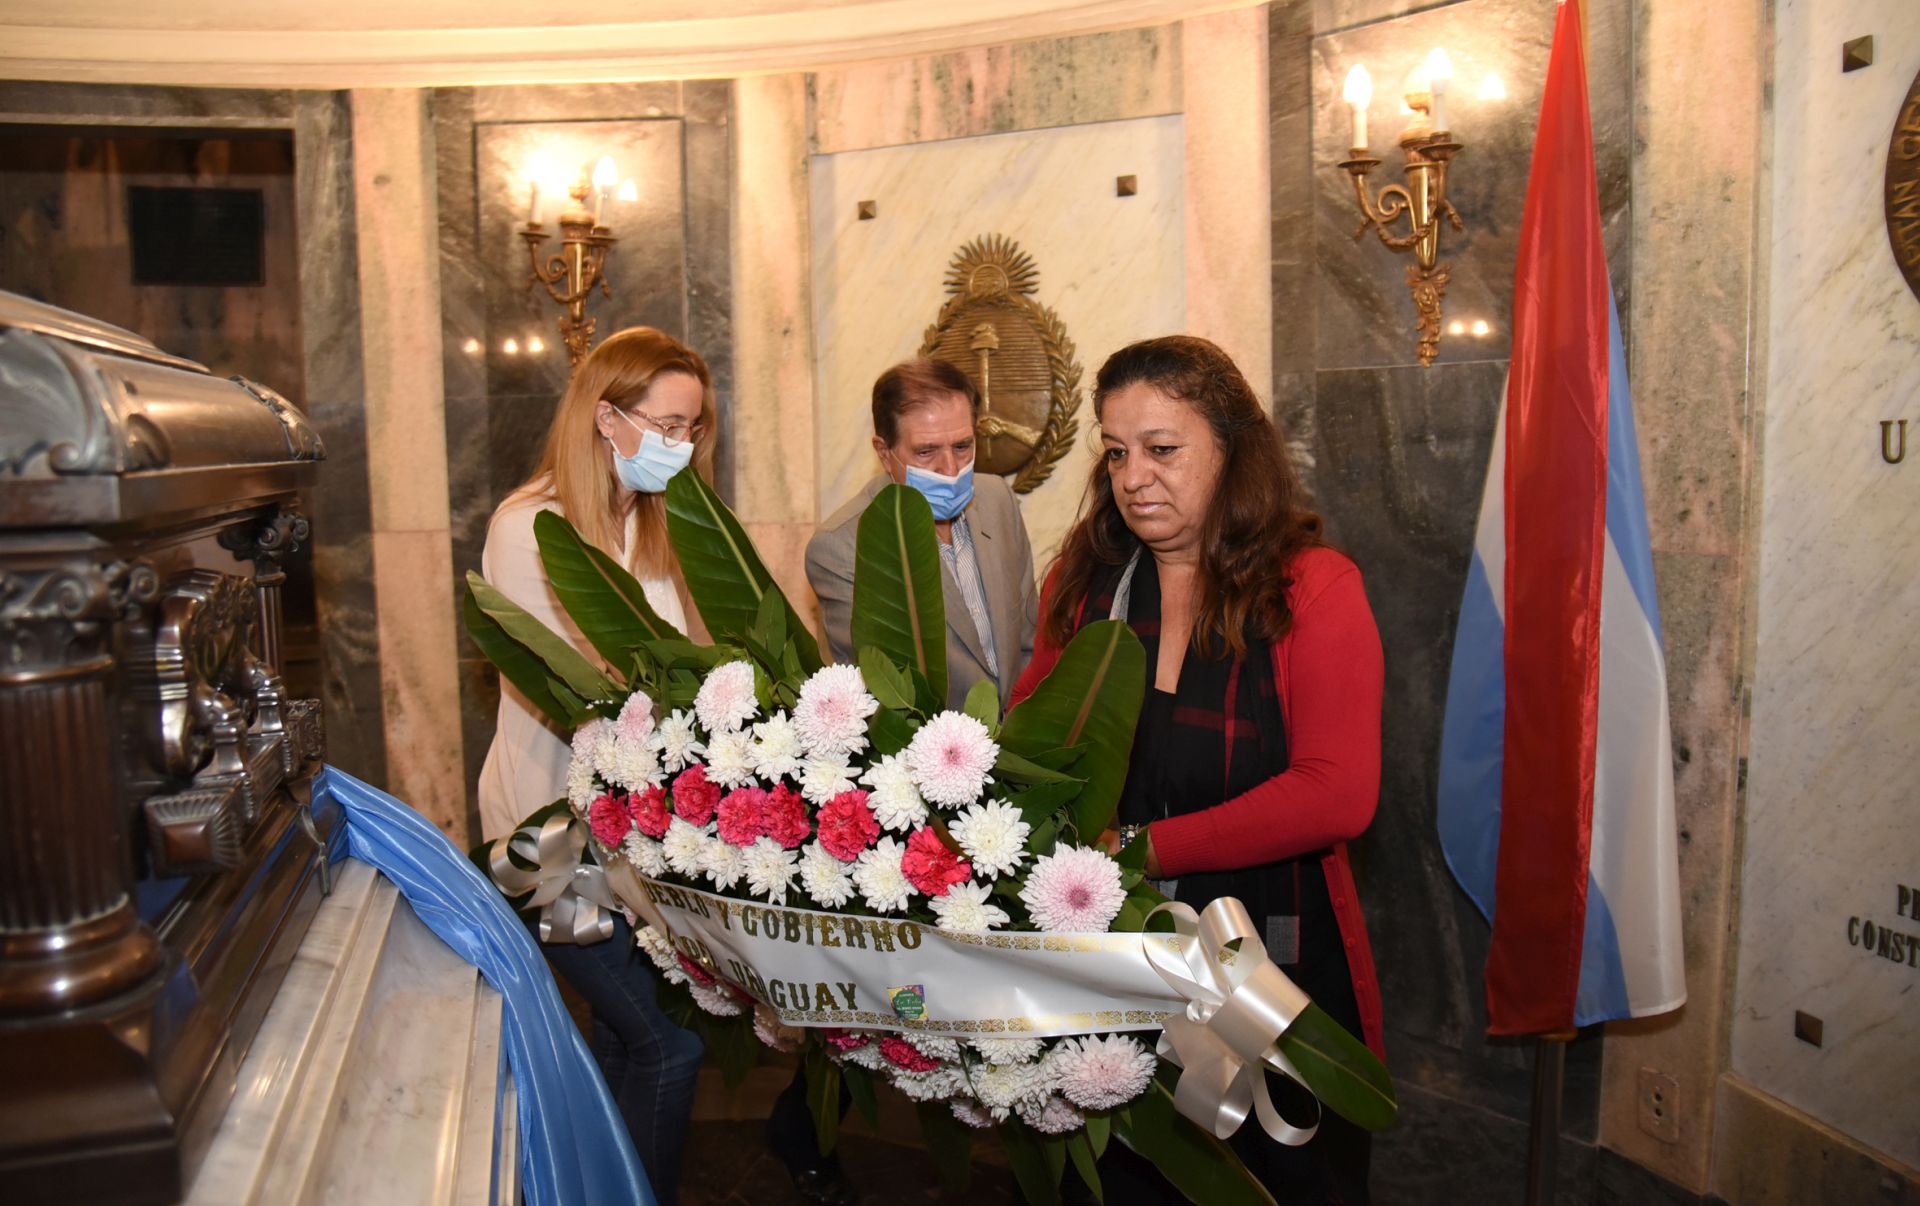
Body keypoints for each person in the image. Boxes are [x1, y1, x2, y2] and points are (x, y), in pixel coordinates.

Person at [1010, 335, 1386, 1204]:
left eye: (1163, 449)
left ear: (1232, 450)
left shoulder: (1312, 588)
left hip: (1271, 961)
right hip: (1111, 956)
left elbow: (1337, 793)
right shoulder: (1085, 583)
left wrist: (1139, 847)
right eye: (1116, 453)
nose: (1134, 477)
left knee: (1274, 1176)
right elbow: (1032, 743)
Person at [477, 326, 713, 1206]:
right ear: (606, 417)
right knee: (668, 1046)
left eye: (693, 428)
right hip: (549, 845)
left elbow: (691, 661)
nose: (681, 445)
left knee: (627, 1041)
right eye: (667, 425)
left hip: (632, 846)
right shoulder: (529, 526)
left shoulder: (647, 521)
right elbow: (588, 686)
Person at [805, 357, 1039, 712]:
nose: (950, 469)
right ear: (885, 453)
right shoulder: (842, 547)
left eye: (962, 446)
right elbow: (886, 696)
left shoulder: (997, 499)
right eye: (926, 451)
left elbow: (1028, 642)